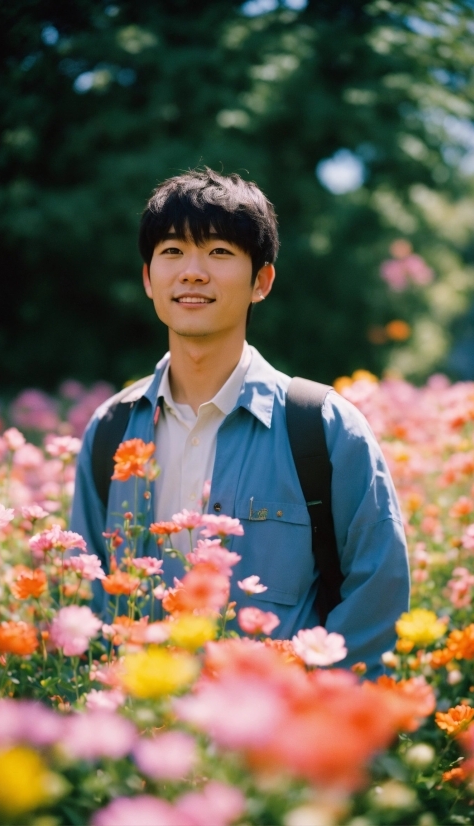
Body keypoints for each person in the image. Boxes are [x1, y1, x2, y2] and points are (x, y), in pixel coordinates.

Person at [70, 168, 410, 677]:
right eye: (171, 251)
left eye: (220, 253)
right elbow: (88, 598)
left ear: (262, 281)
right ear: (147, 278)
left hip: (275, 741)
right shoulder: (111, 431)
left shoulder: (322, 426)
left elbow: (378, 596)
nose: (192, 272)